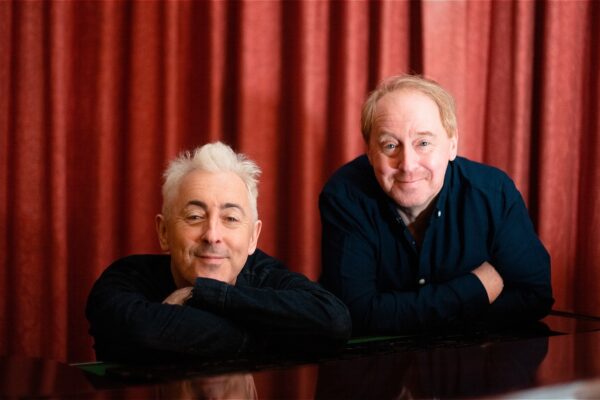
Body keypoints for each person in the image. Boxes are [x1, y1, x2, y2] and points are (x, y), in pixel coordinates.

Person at [319, 74, 553, 335]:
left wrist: (397, 313)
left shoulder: (492, 193)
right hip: (377, 368)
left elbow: (535, 296)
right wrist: (476, 288)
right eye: (390, 145)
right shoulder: (345, 196)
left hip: (477, 365)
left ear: (452, 145)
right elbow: (355, 314)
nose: (407, 164)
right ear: (371, 153)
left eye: (424, 143)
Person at [86, 142, 351, 362]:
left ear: (253, 237)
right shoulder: (125, 278)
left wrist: (203, 294)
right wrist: (273, 332)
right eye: (194, 216)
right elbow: (139, 331)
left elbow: (334, 321)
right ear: (164, 232)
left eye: (231, 219)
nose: (212, 235)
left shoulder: (264, 273)